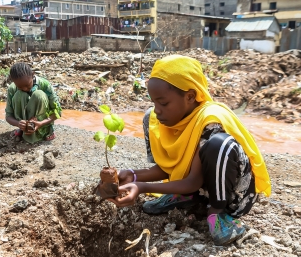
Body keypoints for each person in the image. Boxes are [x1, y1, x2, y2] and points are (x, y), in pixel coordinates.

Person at [107, 55, 271, 246]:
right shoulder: (156, 120)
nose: (157, 110)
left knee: (219, 144)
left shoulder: (210, 120)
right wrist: (133, 176)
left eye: (164, 103)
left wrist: (143, 187)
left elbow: (194, 180)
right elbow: (167, 168)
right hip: (194, 189)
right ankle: (185, 197)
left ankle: (218, 216)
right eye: (154, 102)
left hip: (229, 197)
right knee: (148, 118)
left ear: (190, 97)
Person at [5, 62, 62, 143]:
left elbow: (58, 112)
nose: (25, 89)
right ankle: (24, 130)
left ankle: (46, 131)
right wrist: (19, 123)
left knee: (38, 95)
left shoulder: (45, 85)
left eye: (28, 85)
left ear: (32, 75)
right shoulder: (12, 89)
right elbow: (8, 116)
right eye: (20, 87)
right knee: (19, 95)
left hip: (42, 124)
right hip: (24, 127)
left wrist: (41, 123)